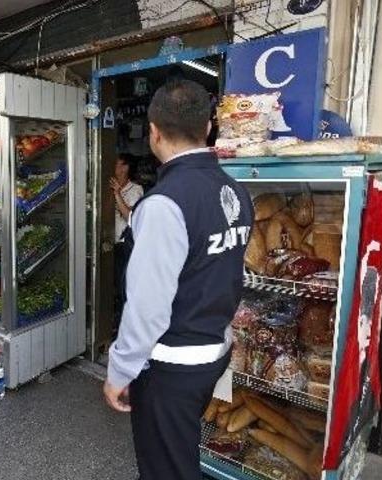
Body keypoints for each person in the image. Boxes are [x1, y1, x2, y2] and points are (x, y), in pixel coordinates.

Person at [102, 80, 253, 479]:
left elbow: (148, 308)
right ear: (207, 129)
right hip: (213, 351)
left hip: (173, 362)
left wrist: (120, 370)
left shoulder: (164, 203)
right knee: (179, 451)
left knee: (165, 467)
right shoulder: (236, 191)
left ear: (153, 131)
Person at [109, 154, 144, 329]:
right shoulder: (108, 185)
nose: (113, 168)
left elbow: (130, 216)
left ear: (125, 167)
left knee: (124, 288)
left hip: (124, 246)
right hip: (108, 244)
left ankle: (125, 327)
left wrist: (117, 194)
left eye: (116, 164)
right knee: (110, 286)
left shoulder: (136, 190)